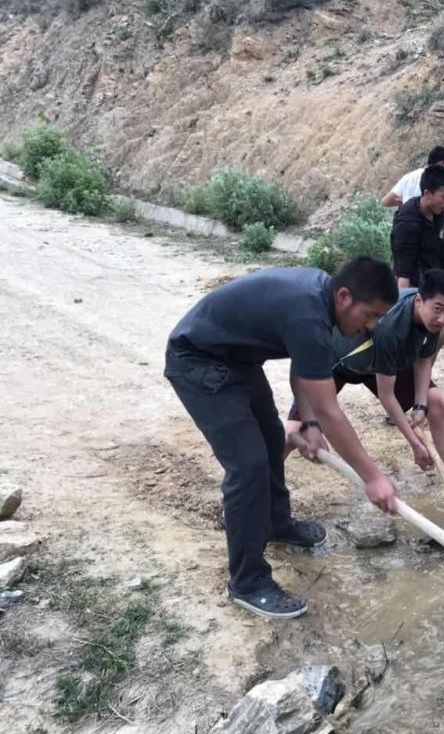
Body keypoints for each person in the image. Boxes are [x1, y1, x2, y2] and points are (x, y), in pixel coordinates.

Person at [164, 258, 399, 620]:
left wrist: (308, 422)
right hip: (198, 361)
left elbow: (304, 369)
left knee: (272, 439)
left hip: (236, 360)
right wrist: (373, 477)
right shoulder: (308, 314)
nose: (370, 327)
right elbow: (331, 411)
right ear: (344, 296)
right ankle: (247, 582)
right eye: (369, 315)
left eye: (378, 319)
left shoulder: (319, 302)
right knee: (249, 466)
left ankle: (275, 522)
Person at [285, 269, 444, 514]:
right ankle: (262, 499)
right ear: (420, 300)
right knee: (292, 430)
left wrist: (420, 406)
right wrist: (415, 443)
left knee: (438, 404)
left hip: (379, 363)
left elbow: (423, 360)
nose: (443, 318)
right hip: (337, 361)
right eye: (438, 309)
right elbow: (387, 396)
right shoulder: (390, 326)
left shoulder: (433, 321)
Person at [391, 165, 444, 289]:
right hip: (416, 282)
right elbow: (403, 275)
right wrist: (405, 299)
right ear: (427, 193)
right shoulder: (407, 225)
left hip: (432, 258)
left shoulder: (435, 210)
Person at [380, 146, 444, 209]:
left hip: (406, 217)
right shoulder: (437, 181)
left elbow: (385, 201)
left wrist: (405, 204)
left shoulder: (409, 177)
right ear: (441, 164)